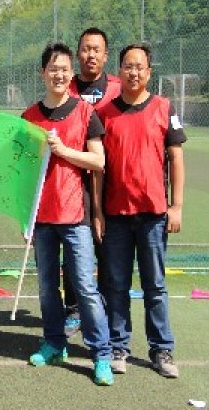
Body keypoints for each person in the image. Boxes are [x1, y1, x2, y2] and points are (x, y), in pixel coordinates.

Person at [22, 43, 113, 386]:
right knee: (47, 287)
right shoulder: (29, 117)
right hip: (42, 218)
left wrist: (63, 151)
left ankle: (101, 354)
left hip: (75, 217)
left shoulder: (85, 113)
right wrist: (25, 216)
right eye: (52, 69)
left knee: (85, 287)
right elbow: (22, 171)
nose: (58, 75)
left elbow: (98, 161)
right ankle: (54, 343)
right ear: (42, 73)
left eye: (64, 69)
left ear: (70, 73)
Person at [94, 43, 186, 379]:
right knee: (116, 285)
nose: (134, 72)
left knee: (155, 286)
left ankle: (161, 349)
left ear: (149, 72)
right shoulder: (104, 112)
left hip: (153, 215)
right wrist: (97, 212)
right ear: (119, 70)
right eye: (128, 66)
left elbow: (176, 158)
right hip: (116, 214)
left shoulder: (164, 107)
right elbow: (98, 169)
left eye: (140, 67)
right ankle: (118, 346)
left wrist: (176, 206)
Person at [62, 27, 121, 338]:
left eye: (96, 49)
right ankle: (73, 310)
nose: (90, 55)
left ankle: (106, 311)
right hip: (75, 183)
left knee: (107, 251)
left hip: (112, 183)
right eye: (85, 49)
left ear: (105, 55)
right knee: (73, 251)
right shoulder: (66, 87)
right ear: (77, 53)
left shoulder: (118, 88)